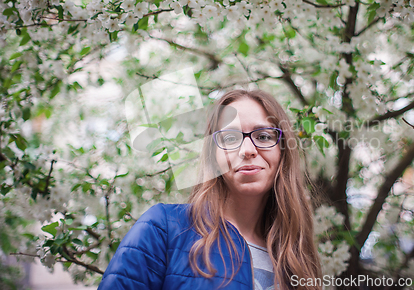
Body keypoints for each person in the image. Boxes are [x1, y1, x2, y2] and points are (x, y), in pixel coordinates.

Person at [98, 89, 322, 290]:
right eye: (230, 138)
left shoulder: (297, 258)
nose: (247, 150)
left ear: (283, 151)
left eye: (263, 136)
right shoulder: (163, 229)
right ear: (213, 157)